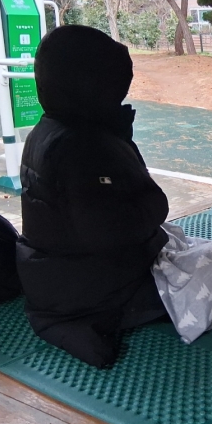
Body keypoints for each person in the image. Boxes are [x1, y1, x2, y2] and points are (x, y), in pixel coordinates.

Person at [16, 25, 170, 369]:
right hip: (95, 289)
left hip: (51, 278)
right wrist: (152, 201)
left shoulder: (47, 130)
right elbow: (115, 229)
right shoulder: (85, 146)